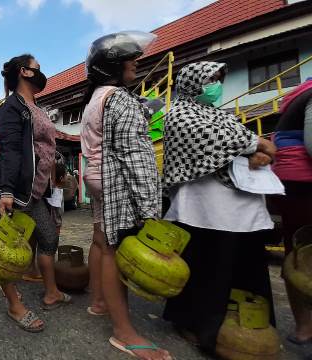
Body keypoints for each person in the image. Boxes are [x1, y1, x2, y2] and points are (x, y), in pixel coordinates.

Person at [162, 61, 276, 355]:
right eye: (210, 78)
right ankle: (197, 325)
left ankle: (244, 326)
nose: (216, 84)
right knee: (207, 266)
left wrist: (256, 154)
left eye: (218, 78)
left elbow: (245, 146)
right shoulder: (179, 113)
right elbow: (215, 141)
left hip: (243, 202)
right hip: (205, 206)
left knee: (243, 265)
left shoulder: (222, 116)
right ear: (192, 82)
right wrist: (255, 144)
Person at [80, 31, 172, 360]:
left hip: (96, 175)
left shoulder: (96, 98)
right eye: (130, 58)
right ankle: (124, 332)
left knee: (103, 241)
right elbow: (136, 156)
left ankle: (100, 302)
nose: (137, 61)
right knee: (116, 250)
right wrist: (151, 210)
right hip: (115, 177)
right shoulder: (118, 98)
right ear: (112, 65)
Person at [0, 54, 70, 333]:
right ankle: (14, 304)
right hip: (11, 191)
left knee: (49, 237)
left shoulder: (35, 107)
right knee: (7, 249)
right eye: (37, 68)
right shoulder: (11, 108)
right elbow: (10, 150)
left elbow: (46, 142)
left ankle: (51, 293)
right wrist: (8, 191)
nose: (41, 72)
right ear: (24, 72)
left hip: (33, 193)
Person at [271, 77, 312, 346]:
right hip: (305, 185)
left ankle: (303, 328)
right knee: (303, 257)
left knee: (297, 254)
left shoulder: (296, 96)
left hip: (290, 183)